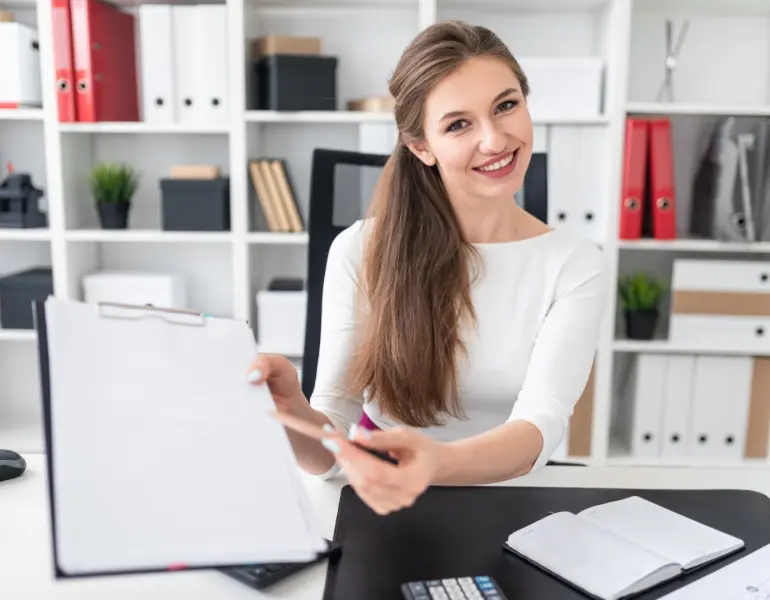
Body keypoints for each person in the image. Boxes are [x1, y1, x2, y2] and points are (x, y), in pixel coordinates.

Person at [248, 20, 608, 516]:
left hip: (513, 498)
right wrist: (292, 410)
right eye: (458, 124)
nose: (494, 140)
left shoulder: (576, 263)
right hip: (385, 496)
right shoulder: (360, 249)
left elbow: (540, 425)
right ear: (421, 147)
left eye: (506, 106)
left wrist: (436, 463)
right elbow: (329, 452)